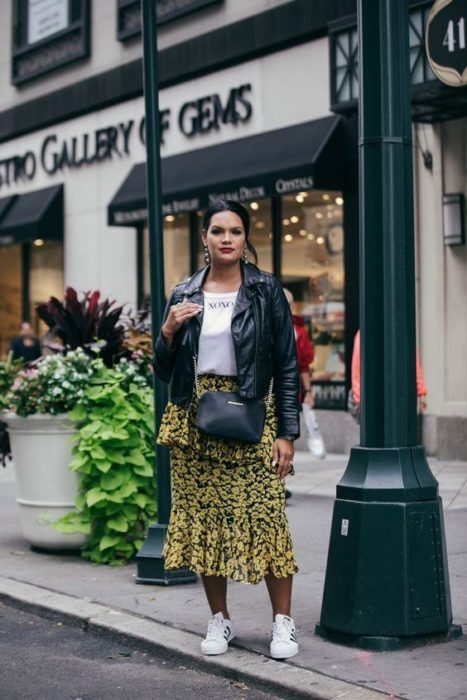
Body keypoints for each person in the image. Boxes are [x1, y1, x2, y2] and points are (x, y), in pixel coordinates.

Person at [154, 200, 300, 660]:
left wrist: (287, 433)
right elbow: (163, 370)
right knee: (204, 521)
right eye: (218, 231)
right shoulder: (183, 292)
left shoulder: (264, 289)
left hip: (253, 410)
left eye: (235, 231)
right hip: (196, 418)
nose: (227, 239)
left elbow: (287, 365)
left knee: (267, 514)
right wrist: (167, 333)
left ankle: (283, 624)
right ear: (204, 237)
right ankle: (220, 621)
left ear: (245, 237)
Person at [283, 289, 326, 462]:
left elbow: (304, 366)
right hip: (267, 390)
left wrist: (308, 391)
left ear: (292, 306)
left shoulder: (298, 332)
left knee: (286, 436)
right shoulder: (263, 326)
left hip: (291, 390)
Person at [350, 329, 428, 418]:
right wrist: (359, 400)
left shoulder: (400, 330)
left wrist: (421, 392)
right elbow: (356, 369)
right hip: (374, 398)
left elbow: (413, 362)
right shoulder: (364, 332)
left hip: (399, 396)